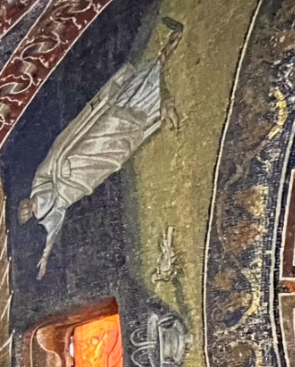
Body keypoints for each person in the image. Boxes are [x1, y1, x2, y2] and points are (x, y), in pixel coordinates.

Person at [21, 18, 183, 278]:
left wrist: (62, 168)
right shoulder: (47, 216)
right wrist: (44, 257)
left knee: (111, 122)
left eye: (24, 209)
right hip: (85, 177)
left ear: (24, 204)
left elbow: (53, 157)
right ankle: (157, 108)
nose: (27, 210)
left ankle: (159, 66)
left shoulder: (38, 183)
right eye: (26, 214)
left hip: (75, 157)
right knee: (119, 148)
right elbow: (54, 230)